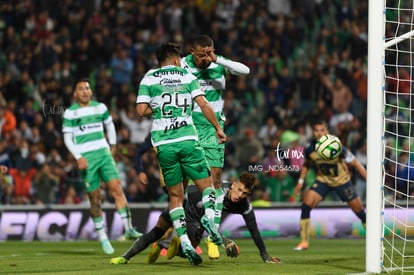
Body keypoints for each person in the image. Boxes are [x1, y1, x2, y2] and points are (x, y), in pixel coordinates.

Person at [135, 42, 226, 265]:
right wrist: (217, 128)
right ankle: (209, 221)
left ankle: (184, 240)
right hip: (187, 140)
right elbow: (204, 105)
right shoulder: (186, 75)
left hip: (164, 144)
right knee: (208, 186)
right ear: (176, 59)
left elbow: (140, 111)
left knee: (176, 197)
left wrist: (157, 106)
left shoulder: (149, 77)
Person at [109, 172, 281, 265]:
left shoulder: (244, 206)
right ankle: (125, 257)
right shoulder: (218, 194)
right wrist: (226, 240)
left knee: (187, 253)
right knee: (157, 231)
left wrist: (265, 255)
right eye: (239, 190)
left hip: (195, 211)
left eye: (244, 193)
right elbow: (209, 224)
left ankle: (163, 244)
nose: (239, 195)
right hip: (187, 202)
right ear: (234, 184)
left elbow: (254, 230)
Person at [181, 34, 250, 259]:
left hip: (213, 127)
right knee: (186, 184)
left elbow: (245, 71)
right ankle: (183, 233)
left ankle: (213, 236)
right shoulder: (182, 65)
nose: (204, 58)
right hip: (189, 125)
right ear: (192, 52)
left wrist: (217, 59)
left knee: (216, 179)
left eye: (208, 53)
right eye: (201, 55)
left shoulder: (218, 64)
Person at [62, 79, 142, 255]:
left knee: (117, 189)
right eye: (81, 89)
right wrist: (78, 157)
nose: (84, 91)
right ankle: (102, 236)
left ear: (91, 92)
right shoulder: (70, 114)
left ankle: (128, 228)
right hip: (87, 159)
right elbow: (67, 138)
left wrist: (112, 145)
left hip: (104, 153)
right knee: (95, 199)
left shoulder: (101, 107)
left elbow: (110, 126)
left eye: (87, 88)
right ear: (75, 94)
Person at [293, 120, 367, 251]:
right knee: (306, 205)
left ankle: (375, 237)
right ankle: (304, 242)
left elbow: (355, 163)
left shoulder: (336, 145)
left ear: (327, 132)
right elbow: (306, 164)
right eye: (317, 130)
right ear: (313, 132)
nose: (319, 133)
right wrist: (300, 181)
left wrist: (369, 180)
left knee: (360, 213)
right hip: (323, 180)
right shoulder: (310, 148)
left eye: (322, 130)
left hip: (342, 182)